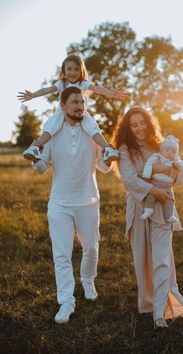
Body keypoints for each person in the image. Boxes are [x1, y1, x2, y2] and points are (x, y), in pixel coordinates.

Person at [32, 86, 112, 324]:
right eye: (75, 102)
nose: (80, 106)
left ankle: (88, 280)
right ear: (62, 106)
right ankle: (66, 301)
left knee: (91, 248)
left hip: (88, 201)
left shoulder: (91, 130)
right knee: (62, 255)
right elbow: (42, 168)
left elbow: (104, 167)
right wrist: (35, 157)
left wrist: (109, 157)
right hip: (59, 204)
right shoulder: (51, 131)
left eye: (82, 102)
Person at [111, 106, 183, 328]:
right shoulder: (126, 149)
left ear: (149, 122)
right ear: (128, 128)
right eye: (134, 125)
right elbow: (129, 179)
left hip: (164, 209)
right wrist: (155, 192)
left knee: (162, 259)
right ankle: (149, 303)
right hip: (139, 208)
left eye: (142, 122)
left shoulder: (161, 145)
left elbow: (178, 177)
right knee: (143, 258)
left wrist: (179, 168)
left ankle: (162, 309)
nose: (139, 128)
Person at [18, 53, 129, 162]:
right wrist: (33, 95)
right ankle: (36, 148)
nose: (72, 72)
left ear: (81, 71)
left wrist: (112, 94)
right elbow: (47, 90)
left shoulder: (83, 83)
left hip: (82, 113)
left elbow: (96, 89)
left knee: (92, 127)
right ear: (64, 71)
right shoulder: (62, 83)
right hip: (62, 112)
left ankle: (107, 149)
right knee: (51, 126)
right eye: (69, 69)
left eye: (76, 69)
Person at [141, 135, 183, 222]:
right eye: (167, 150)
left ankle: (169, 216)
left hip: (168, 185)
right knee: (151, 196)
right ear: (161, 150)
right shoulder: (157, 157)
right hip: (155, 182)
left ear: (176, 153)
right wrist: (147, 174)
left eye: (173, 151)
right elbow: (149, 164)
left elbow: (182, 166)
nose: (170, 153)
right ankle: (148, 210)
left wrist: (180, 165)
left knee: (170, 199)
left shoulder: (175, 160)